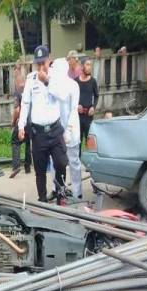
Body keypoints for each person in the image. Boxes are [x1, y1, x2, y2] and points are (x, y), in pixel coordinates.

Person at [18, 45, 69, 205]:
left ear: (49, 60)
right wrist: (21, 126)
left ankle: (60, 194)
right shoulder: (30, 79)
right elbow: (25, 103)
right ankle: (42, 200)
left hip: (54, 130)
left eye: (43, 63)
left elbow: (63, 96)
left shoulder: (56, 76)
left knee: (61, 163)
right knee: (40, 170)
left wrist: (47, 81)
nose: (41, 66)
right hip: (38, 132)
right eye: (38, 63)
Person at [53, 58, 82, 200]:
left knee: (74, 162)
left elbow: (73, 109)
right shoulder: (54, 87)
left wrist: (68, 130)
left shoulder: (73, 86)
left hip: (71, 130)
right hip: (56, 131)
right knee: (56, 162)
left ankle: (77, 191)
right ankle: (57, 189)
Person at [10, 75, 32, 178]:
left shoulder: (18, 92)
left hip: (21, 122)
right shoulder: (30, 90)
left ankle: (16, 166)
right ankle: (28, 167)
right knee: (28, 143)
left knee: (15, 142)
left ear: (18, 81)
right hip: (31, 122)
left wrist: (14, 121)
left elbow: (17, 109)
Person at [76, 56, 99, 154]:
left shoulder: (93, 81)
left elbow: (97, 96)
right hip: (78, 116)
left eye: (90, 65)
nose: (90, 67)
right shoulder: (75, 81)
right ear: (82, 67)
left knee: (89, 140)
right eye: (87, 65)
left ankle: (90, 164)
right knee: (78, 140)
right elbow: (72, 98)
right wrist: (76, 106)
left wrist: (93, 107)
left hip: (89, 116)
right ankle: (77, 162)